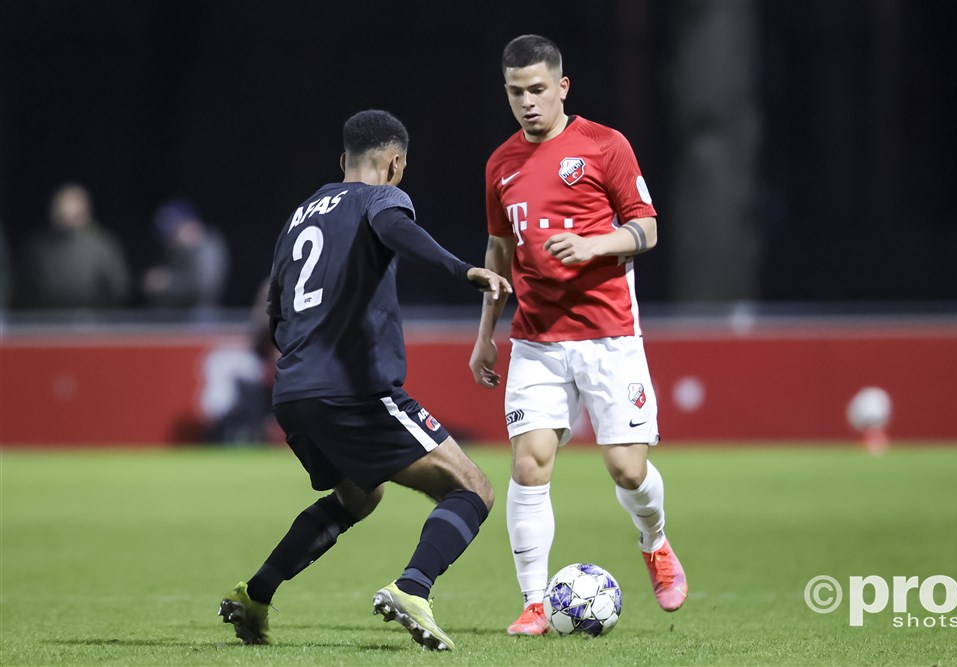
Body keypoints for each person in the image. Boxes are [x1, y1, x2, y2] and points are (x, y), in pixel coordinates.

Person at [218, 110, 511, 652]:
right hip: (352, 390)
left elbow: (274, 311)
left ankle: (255, 593)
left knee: (359, 493)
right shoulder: (381, 198)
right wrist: (463, 270)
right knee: (474, 488)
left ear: (342, 160)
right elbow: (395, 229)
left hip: (293, 392)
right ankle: (412, 588)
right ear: (394, 163)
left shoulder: (300, 216)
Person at [469, 34, 688, 636]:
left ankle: (654, 541)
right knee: (529, 464)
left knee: (627, 470)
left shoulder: (604, 145)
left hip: (608, 334)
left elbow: (646, 229)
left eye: (537, 89)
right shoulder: (500, 164)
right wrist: (486, 334)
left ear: (562, 87)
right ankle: (535, 602)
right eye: (515, 92)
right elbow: (498, 250)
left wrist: (594, 245)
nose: (527, 102)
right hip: (536, 340)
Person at [19, 183, 131, 309]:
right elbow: (25, 286)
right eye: (60, 208)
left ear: (85, 209)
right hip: (48, 316)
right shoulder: (38, 247)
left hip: (94, 316)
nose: (66, 213)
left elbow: (119, 287)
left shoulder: (103, 245)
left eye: (73, 207)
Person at [143, 199, 229, 309]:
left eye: (175, 230)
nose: (171, 238)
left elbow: (204, 288)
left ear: (191, 224)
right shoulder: (178, 251)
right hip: (181, 314)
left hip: (203, 315)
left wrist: (167, 283)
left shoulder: (207, 248)